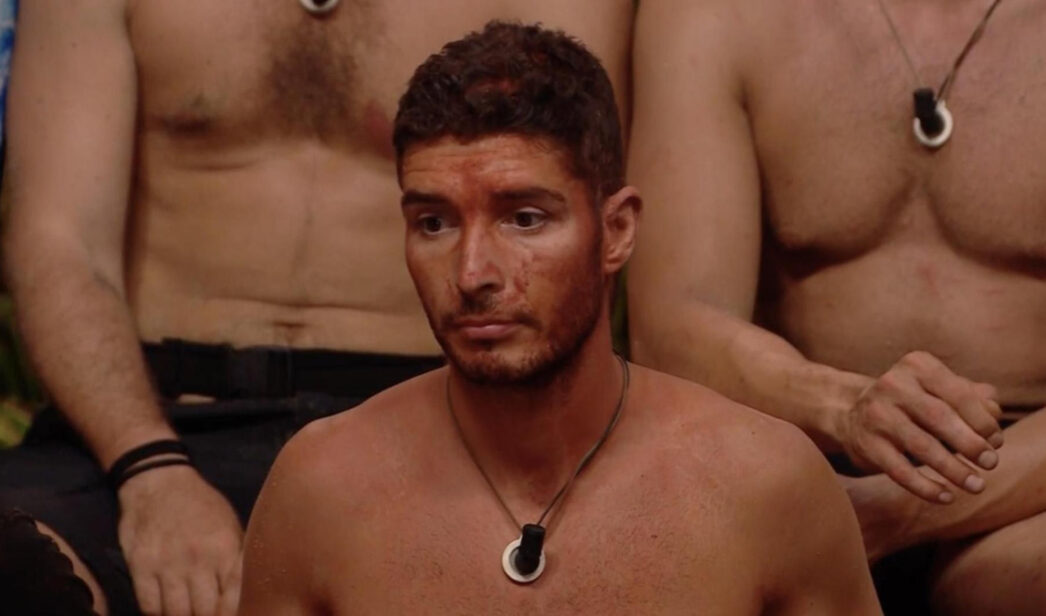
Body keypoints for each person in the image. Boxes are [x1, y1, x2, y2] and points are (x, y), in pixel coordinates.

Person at [0, 1, 634, 614]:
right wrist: (149, 470)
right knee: (17, 563)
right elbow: (58, 243)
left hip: (428, 423)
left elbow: (576, 221)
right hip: (154, 421)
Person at [238, 22, 881, 615]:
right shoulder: (321, 490)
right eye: (433, 223)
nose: (472, 273)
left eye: (524, 218)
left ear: (616, 231)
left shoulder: (765, 485)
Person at [626, 0, 1046, 613]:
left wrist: (895, 510)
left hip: (1029, 475)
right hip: (794, 453)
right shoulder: (722, 14)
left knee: (998, 587)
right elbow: (671, 329)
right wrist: (843, 407)